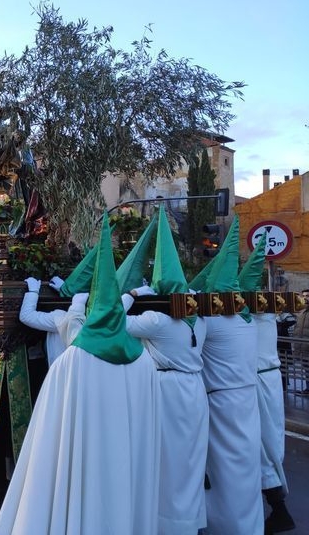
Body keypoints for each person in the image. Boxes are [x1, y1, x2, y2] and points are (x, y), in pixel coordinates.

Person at [0, 213, 159, 535]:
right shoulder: (144, 362)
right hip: (123, 462)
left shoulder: (70, 356)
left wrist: (33, 290)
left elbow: (48, 438)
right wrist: (134, 294)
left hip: (78, 437)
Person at [122, 205, 209, 534]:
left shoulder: (156, 321)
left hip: (167, 392)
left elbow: (110, 320)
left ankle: (167, 526)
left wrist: (133, 294)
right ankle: (191, 522)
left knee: (166, 462)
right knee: (190, 461)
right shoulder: (200, 320)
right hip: (195, 390)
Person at [188, 215, 263, 534]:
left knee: (224, 469)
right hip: (248, 400)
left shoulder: (213, 323)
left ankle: (225, 527)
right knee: (246, 466)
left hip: (222, 405)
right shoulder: (249, 322)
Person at [238, 236, 296, 534]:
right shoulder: (266, 311)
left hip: (259, 379)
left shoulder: (253, 313)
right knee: (269, 442)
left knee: (260, 444)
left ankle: (278, 508)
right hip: (268, 377)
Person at [294, 289, 309, 395]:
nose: (305, 298)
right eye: (303, 296)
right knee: (307, 370)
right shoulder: (301, 311)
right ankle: (308, 389)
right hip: (302, 348)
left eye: (307, 296)